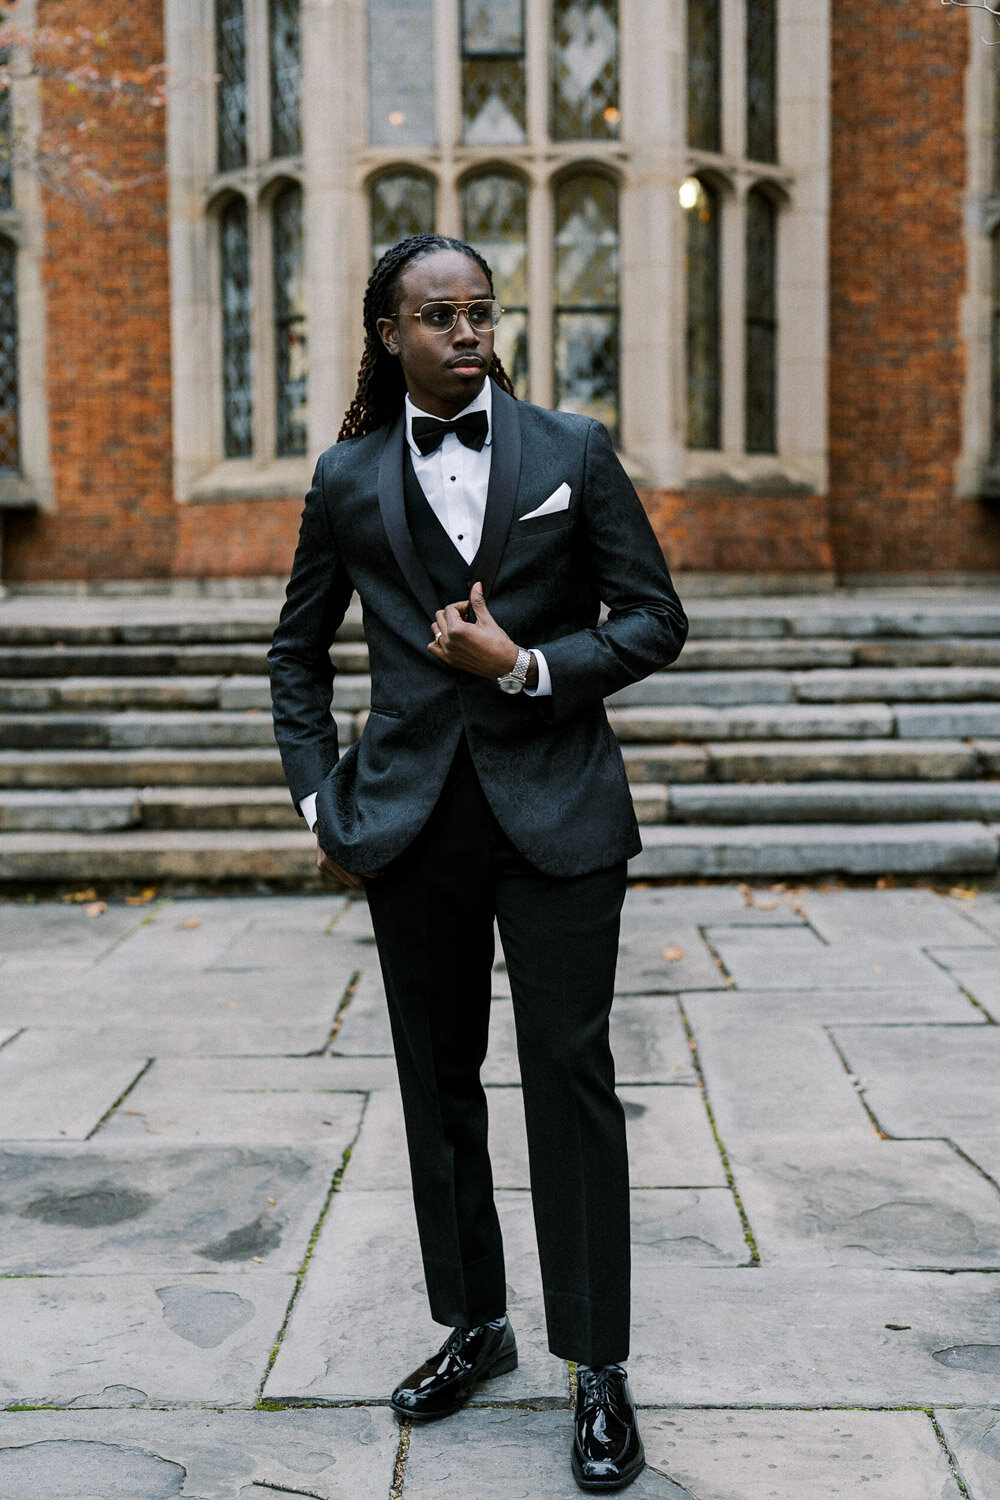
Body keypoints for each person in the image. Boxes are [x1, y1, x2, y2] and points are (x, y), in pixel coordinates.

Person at [268, 233, 687, 1492]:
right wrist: (316, 804)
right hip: (410, 823)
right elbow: (295, 656)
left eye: (479, 311)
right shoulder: (344, 477)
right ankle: (476, 1325)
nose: (464, 330)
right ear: (387, 332)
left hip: (557, 807)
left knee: (570, 1080)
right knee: (436, 1084)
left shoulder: (571, 451)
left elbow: (656, 618)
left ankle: (596, 1365)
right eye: (435, 314)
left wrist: (529, 668)